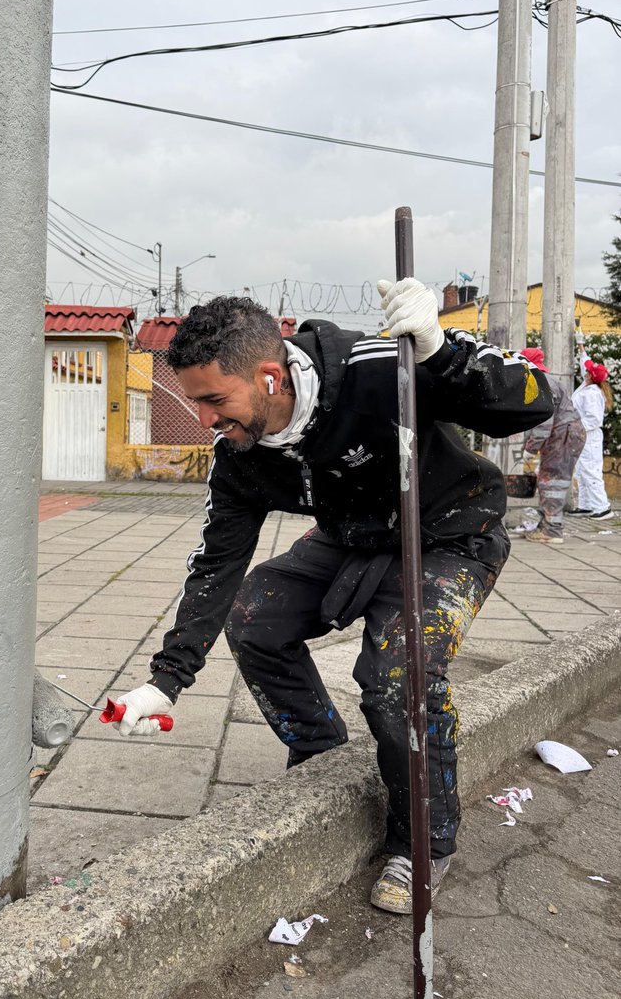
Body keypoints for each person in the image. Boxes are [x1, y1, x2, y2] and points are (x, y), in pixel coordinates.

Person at [111, 280, 552, 915]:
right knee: (253, 616)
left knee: (398, 678)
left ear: (268, 377)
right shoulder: (240, 456)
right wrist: (167, 678)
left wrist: (439, 351)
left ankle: (424, 844)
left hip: (449, 533)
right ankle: (322, 755)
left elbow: (535, 403)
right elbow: (217, 564)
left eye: (214, 401)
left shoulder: (381, 369)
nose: (206, 420)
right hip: (352, 538)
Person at [518, 347, 586, 544]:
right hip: (567, 433)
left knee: (552, 481)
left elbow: (542, 423)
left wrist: (530, 450)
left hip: (562, 435)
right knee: (551, 478)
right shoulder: (547, 380)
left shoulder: (540, 384)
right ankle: (547, 525)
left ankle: (553, 531)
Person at [570, 335, 613, 519]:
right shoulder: (588, 385)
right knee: (582, 471)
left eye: (588, 372)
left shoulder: (593, 394)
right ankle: (586, 505)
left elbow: (594, 420)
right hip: (583, 436)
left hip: (589, 436)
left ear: (591, 377)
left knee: (591, 471)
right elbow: (585, 362)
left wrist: (574, 427)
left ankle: (602, 508)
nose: (585, 372)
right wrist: (581, 345)